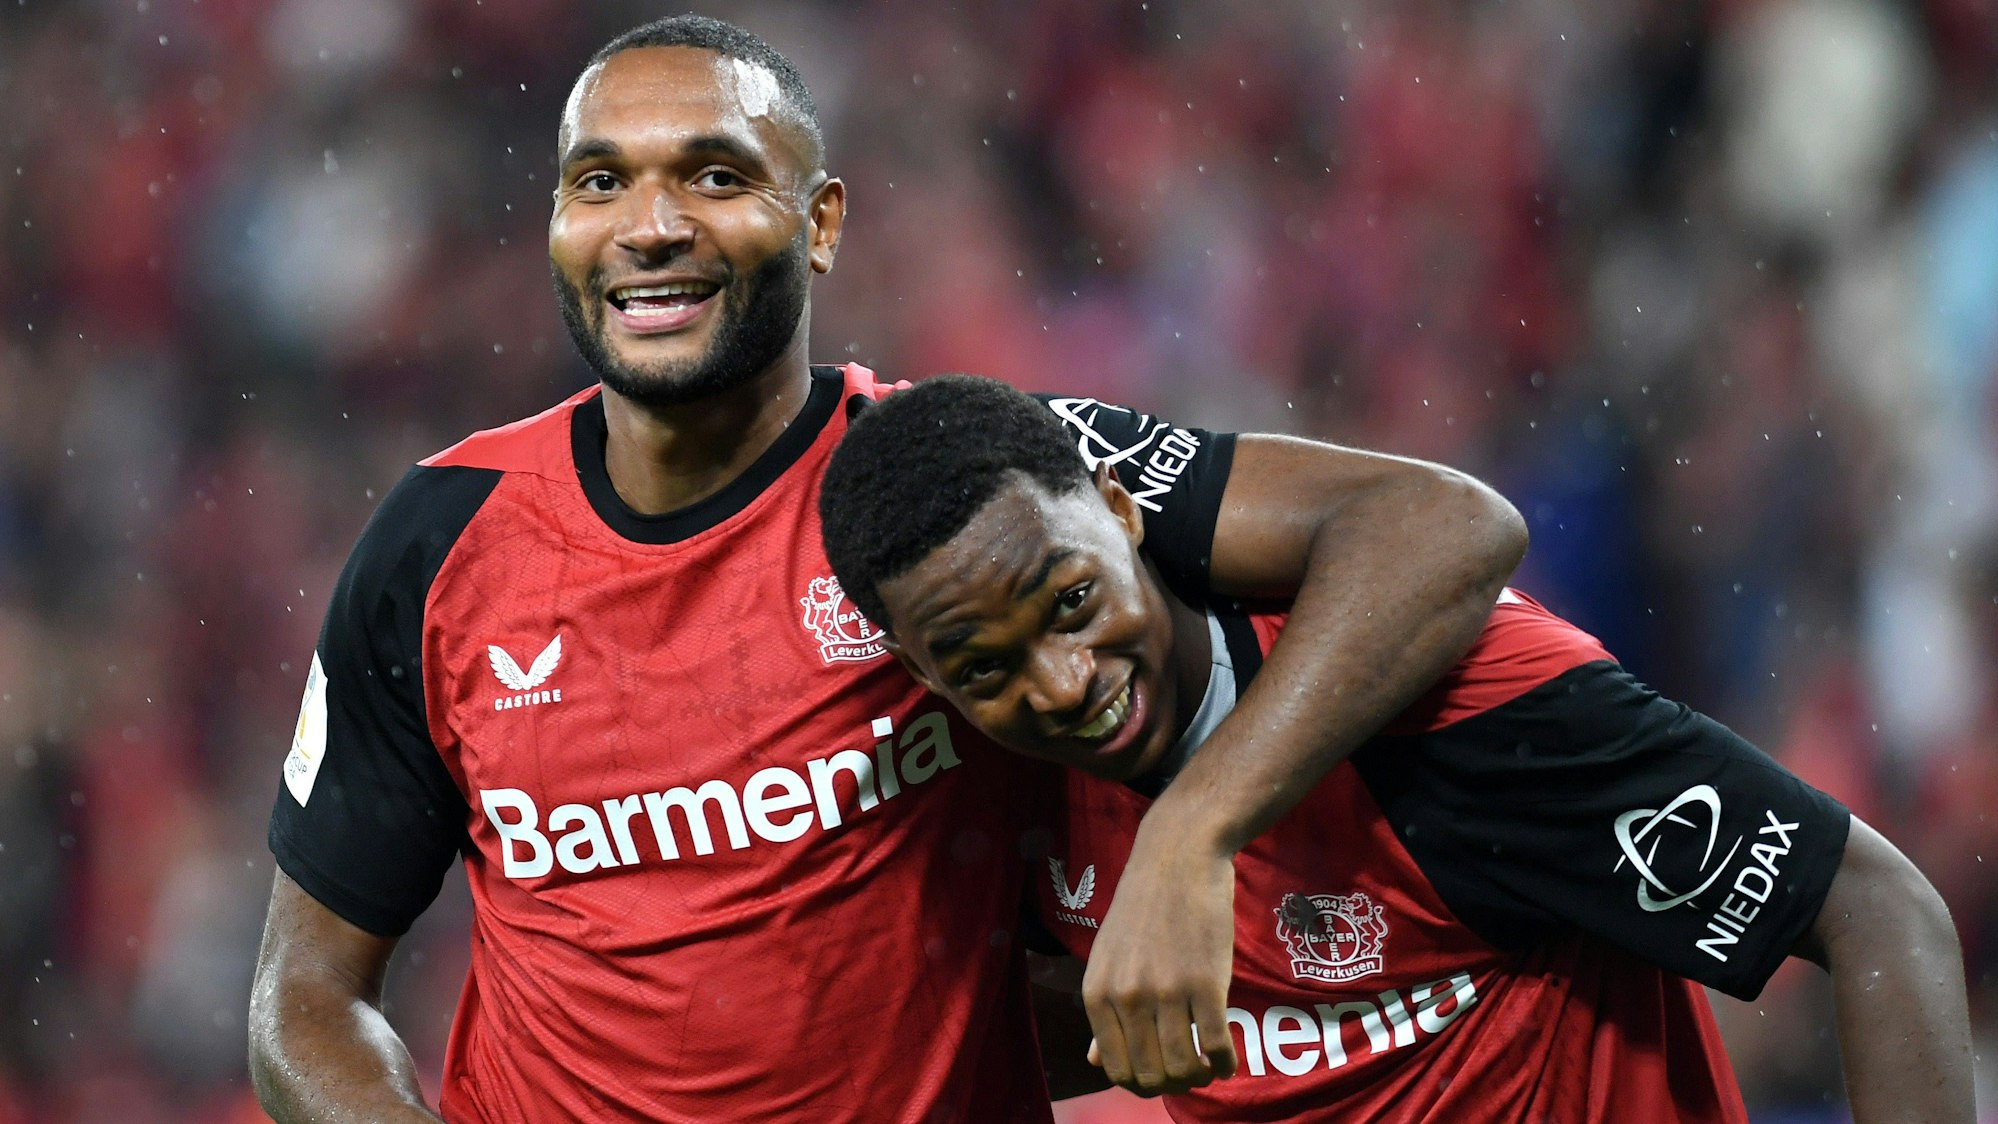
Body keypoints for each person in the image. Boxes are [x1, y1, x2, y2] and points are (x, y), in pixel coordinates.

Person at [244, 15, 1529, 1122]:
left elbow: (1435, 524)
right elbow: (304, 1001)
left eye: (714, 175)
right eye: (600, 182)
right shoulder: (438, 544)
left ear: (820, 224)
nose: (651, 226)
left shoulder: (968, 489)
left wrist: (1197, 830)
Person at [815, 374, 1974, 1122]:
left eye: (1073, 601)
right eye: (986, 669)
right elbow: (1112, 1025)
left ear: (1123, 511)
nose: (1064, 682)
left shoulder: (1455, 706)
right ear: (924, 676)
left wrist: (1188, 829)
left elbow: (1878, 910)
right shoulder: (1006, 791)